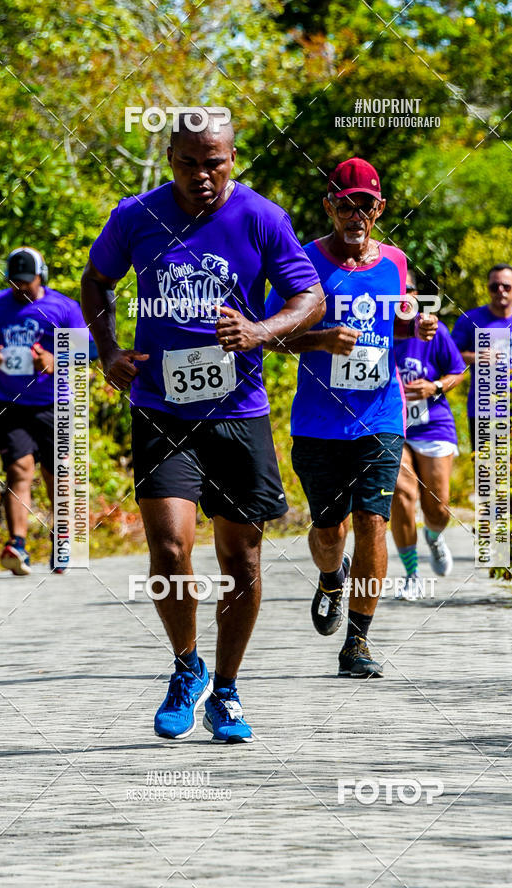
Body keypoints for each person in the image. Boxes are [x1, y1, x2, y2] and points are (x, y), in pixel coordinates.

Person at [81, 110, 324, 744]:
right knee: (168, 550)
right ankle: (186, 667)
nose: (202, 176)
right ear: (170, 159)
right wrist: (106, 351)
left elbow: (310, 298)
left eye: (213, 162)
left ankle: (227, 690)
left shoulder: (263, 217)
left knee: (241, 561)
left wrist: (260, 331)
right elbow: (96, 280)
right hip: (162, 410)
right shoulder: (135, 214)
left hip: (238, 416)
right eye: (188, 163)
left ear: (233, 159)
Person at [266, 157, 437, 678]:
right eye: (346, 203)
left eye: (366, 204)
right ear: (330, 207)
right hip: (318, 423)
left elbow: (392, 322)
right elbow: (270, 335)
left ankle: (357, 642)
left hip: (381, 415)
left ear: (380, 208)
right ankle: (330, 578)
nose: (357, 213)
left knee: (372, 522)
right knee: (328, 532)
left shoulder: (397, 262)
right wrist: (321, 339)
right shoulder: (304, 263)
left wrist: (416, 326)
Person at [0, 247, 96, 575]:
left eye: (27, 282)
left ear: (41, 276)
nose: (20, 288)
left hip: (56, 403)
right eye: (14, 282)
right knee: (19, 470)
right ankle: (17, 545)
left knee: (57, 473)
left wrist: (52, 359)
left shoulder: (63, 307)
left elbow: (89, 350)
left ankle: (62, 541)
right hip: (10, 403)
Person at [391, 271, 465, 599]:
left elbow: (458, 370)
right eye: (394, 291)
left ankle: (434, 538)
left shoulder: (434, 331)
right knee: (401, 494)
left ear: (416, 295)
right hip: (393, 424)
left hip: (433, 423)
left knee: (438, 507)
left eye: (407, 290)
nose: (401, 296)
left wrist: (433, 386)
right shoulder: (377, 329)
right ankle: (411, 573)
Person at [451, 264, 512, 451]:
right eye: (495, 287)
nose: (500, 291)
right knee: (488, 474)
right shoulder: (470, 319)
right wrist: (477, 357)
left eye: (506, 286)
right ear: (488, 289)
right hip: (485, 408)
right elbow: (450, 356)